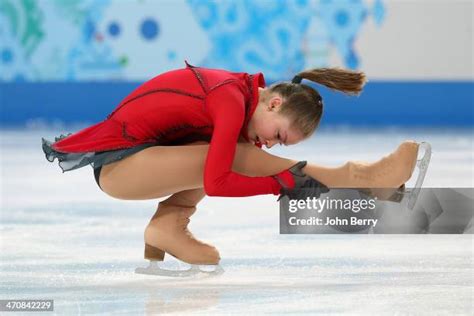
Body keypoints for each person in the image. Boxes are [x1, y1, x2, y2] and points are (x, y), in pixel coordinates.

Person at [42, 61, 421, 268]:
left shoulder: (239, 98)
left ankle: (167, 227)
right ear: (273, 104)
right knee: (232, 155)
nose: (270, 144)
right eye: (279, 136)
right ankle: (363, 177)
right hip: (120, 168)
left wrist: (283, 178)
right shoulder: (229, 100)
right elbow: (220, 180)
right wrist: (282, 182)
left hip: (139, 161)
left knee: (232, 148)